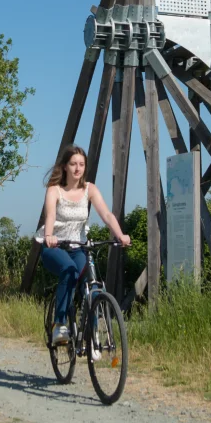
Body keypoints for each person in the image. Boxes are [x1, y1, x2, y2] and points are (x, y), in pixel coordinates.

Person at [37, 145, 131, 346]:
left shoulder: (90, 189)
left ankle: (91, 329)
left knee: (88, 282)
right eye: (73, 164)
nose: (77, 168)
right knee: (69, 271)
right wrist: (49, 235)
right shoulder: (54, 190)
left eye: (81, 164)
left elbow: (106, 214)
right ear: (64, 167)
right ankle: (60, 325)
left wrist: (120, 234)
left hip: (79, 246)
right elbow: (51, 215)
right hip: (55, 247)